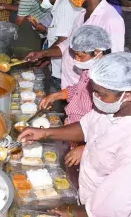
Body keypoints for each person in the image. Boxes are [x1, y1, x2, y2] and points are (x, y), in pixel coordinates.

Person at [19, 52, 131, 217]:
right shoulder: (115, 107)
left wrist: (70, 211)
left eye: (101, 94)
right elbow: (86, 127)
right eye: (94, 91)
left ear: (128, 94)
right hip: (89, 200)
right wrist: (43, 133)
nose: (95, 98)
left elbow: (109, 209)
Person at [25, 0, 125, 89]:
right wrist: (42, 54)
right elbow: (67, 44)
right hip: (70, 85)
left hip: (87, 89)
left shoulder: (111, 20)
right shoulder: (82, 15)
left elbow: (114, 61)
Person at [40, 25, 111, 167]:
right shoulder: (88, 70)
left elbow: (109, 126)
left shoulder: (107, 82)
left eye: (80, 55)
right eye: (75, 54)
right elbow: (78, 90)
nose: (76, 59)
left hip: (88, 142)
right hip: (73, 131)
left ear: (98, 52)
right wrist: (56, 95)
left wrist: (85, 149)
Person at [34, 0, 80, 87]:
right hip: (60, 61)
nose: (41, 2)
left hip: (65, 66)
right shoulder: (61, 3)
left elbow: (62, 40)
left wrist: (43, 55)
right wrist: (47, 57)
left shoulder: (65, 5)